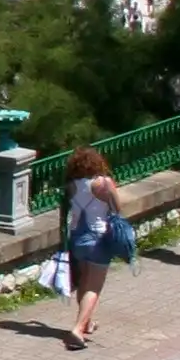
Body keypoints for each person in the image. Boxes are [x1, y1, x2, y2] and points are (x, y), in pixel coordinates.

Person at [63, 148, 127, 349]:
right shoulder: (104, 183)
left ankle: (87, 321)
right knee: (94, 287)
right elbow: (118, 208)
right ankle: (78, 329)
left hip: (77, 238)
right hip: (99, 237)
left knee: (84, 282)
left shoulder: (71, 185)